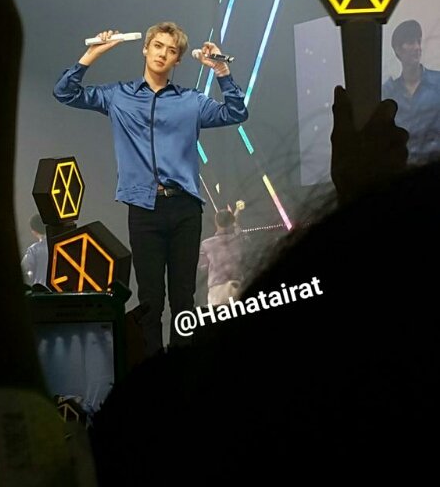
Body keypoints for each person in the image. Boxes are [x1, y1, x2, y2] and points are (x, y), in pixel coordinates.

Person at [89, 88, 438, 482]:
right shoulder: (238, 241)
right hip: (237, 290)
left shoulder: (208, 244)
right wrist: (359, 197)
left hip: (217, 297)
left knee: (223, 353)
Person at [53, 24, 248, 357]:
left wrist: (221, 71)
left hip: (185, 208)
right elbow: (65, 92)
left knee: (183, 298)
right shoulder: (119, 96)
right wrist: (93, 54)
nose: (162, 54)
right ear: (145, 49)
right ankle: (153, 370)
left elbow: (236, 112)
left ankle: (182, 367)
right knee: (150, 299)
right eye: (157, 46)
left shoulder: (190, 101)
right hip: (143, 207)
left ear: (178, 60)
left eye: (171, 51)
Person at [382, 19, 440, 163]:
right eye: (410, 42)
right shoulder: (389, 93)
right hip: (404, 170)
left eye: (418, 42)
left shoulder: (438, 83)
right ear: (398, 49)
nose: (417, 47)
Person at [198, 202, 248, 305]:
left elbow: (202, 267)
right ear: (232, 222)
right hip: (238, 286)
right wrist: (236, 216)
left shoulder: (206, 244)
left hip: (217, 290)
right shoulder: (240, 240)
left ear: (216, 223)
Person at [20, 213, 49, 287]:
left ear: (34, 232)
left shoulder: (33, 250)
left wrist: (30, 274)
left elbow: (22, 269)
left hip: (41, 290)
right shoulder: (59, 245)